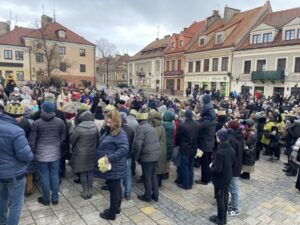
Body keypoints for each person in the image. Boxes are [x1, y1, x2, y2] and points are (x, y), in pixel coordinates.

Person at [0, 101, 34, 225]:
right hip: (14, 174)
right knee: (16, 204)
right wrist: (31, 156)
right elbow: (26, 155)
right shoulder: (17, 132)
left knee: (2, 199)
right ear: (19, 116)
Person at [29, 101, 66, 205]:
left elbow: (32, 140)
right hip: (55, 153)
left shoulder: (37, 123)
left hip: (41, 154)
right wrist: (57, 143)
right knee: (54, 175)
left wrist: (32, 151)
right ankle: (55, 198)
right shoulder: (60, 122)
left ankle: (46, 199)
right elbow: (63, 136)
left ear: (43, 109)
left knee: (44, 176)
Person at [95, 110, 128, 220]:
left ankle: (111, 214)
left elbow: (124, 150)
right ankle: (116, 208)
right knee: (116, 189)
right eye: (107, 122)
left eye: (110, 122)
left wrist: (109, 158)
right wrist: (105, 127)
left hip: (114, 166)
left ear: (116, 122)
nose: (108, 124)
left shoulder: (120, 133)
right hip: (110, 167)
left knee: (114, 191)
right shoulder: (109, 130)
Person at [70, 110, 98, 200]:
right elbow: (99, 139)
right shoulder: (95, 127)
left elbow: (72, 140)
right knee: (90, 172)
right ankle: (90, 191)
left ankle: (85, 191)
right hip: (92, 153)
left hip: (80, 154)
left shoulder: (78, 128)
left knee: (82, 172)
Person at [209, 129, 235, 225]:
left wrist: (211, 167)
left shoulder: (220, 152)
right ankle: (223, 217)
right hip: (228, 177)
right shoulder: (231, 149)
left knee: (220, 199)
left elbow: (218, 169)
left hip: (221, 179)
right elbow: (233, 163)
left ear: (220, 138)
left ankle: (221, 220)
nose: (216, 138)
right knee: (225, 196)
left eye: (217, 137)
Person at [134, 112, 161, 202]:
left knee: (147, 177)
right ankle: (155, 195)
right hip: (155, 155)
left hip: (148, 156)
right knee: (153, 175)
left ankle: (147, 196)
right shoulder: (151, 127)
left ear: (139, 120)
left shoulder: (141, 128)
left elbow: (138, 145)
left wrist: (136, 158)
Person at [176, 109, 200, 190]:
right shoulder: (197, 125)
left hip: (185, 149)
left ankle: (186, 184)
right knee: (190, 166)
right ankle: (190, 183)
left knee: (185, 167)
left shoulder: (182, 125)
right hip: (193, 149)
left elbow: (178, 137)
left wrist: (177, 144)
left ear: (185, 116)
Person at [196, 94, 216, 185]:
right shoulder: (211, 118)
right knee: (207, 162)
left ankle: (204, 180)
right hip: (209, 143)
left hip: (204, 145)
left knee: (204, 163)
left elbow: (198, 127)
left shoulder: (207, 121)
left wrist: (197, 120)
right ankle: (209, 177)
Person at [227, 121, 244, 216]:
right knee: (232, 186)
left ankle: (234, 208)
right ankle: (233, 203)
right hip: (237, 165)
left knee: (234, 188)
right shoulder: (240, 136)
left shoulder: (232, 139)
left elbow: (232, 155)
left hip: (233, 167)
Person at [149, 111, 167, 187]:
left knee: (157, 168)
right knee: (160, 167)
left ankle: (156, 184)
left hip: (158, 150)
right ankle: (159, 183)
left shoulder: (156, 129)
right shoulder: (161, 127)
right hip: (162, 149)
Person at [119, 112, 134, 200]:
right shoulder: (130, 130)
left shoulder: (118, 130)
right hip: (128, 156)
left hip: (120, 156)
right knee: (128, 175)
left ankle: (120, 193)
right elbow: (132, 143)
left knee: (120, 175)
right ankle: (128, 193)